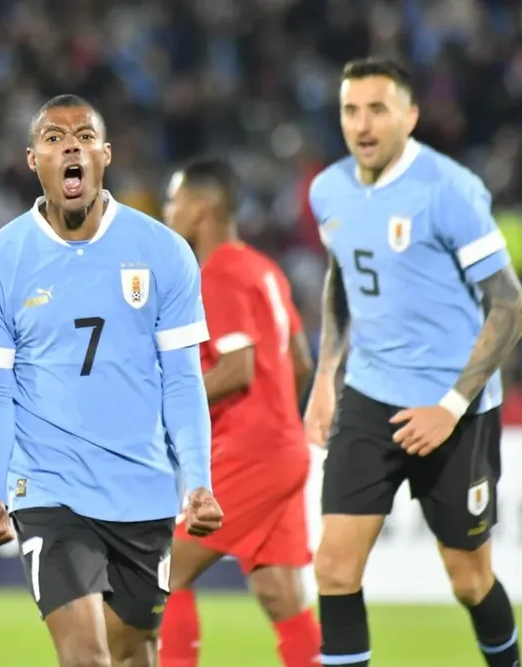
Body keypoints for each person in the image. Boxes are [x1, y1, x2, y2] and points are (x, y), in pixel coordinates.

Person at [0, 94, 225, 667]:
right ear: (34, 160)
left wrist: (198, 481)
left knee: (133, 652)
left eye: (83, 136)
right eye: (53, 138)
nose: (70, 145)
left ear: (105, 155)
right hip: (49, 489)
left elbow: (182, 379)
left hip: (143, 491)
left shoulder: (164, 253)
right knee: (85, 655)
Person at [306, 57, 522, 667]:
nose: (363, 123)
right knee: (333, 567)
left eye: (378, 109)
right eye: (352, 110)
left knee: (469, 580)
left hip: (455, 408)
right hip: (370, 395)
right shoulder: (328, 190)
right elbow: (342, 278)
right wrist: (326, 377)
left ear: (410, 116)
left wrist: (450, 407)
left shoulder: (448, 190)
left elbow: (512, 308)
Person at [159, 158, 321, 667]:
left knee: (161, 571)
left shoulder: (217, 273)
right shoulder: (263, 268)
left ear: (202, 208)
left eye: (174, 200)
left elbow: (237, 369)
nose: (168, 211)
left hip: (251, 451)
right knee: (280, 594)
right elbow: (299, 363)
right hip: (285, 449)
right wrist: (276, 425)